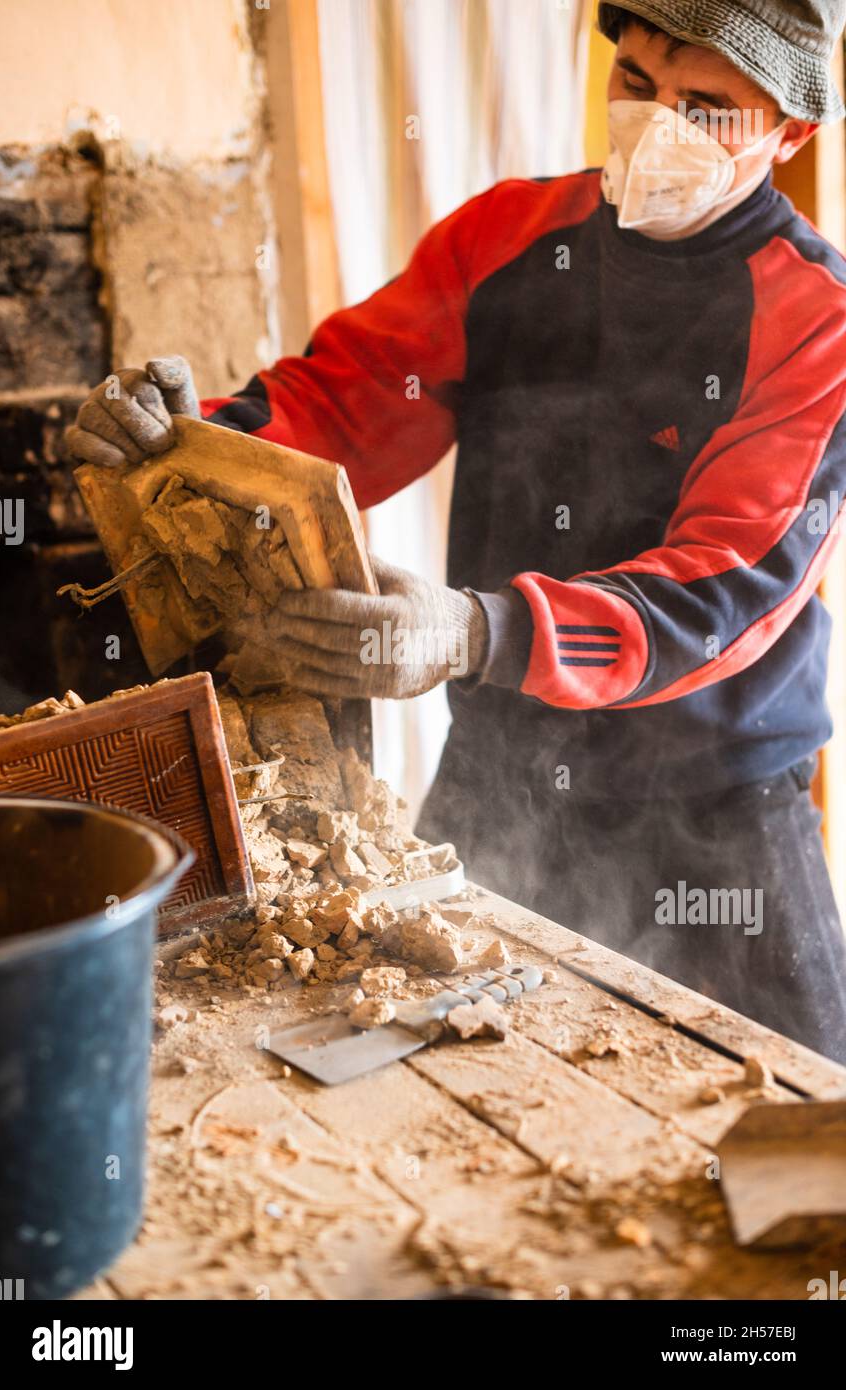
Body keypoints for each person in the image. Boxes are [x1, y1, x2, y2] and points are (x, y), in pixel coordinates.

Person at [68, 2, 846, 1063]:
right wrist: (189, 438)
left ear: (791, 131)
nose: (656, 124)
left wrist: (477, 634)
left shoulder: (821, 321)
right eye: (636, 82)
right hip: (504, 767)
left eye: (707, 110)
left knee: (801, 1134)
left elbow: (722, 591)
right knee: (444, 1084)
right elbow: (342, 406)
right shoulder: (510, 240)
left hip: (711, 800)